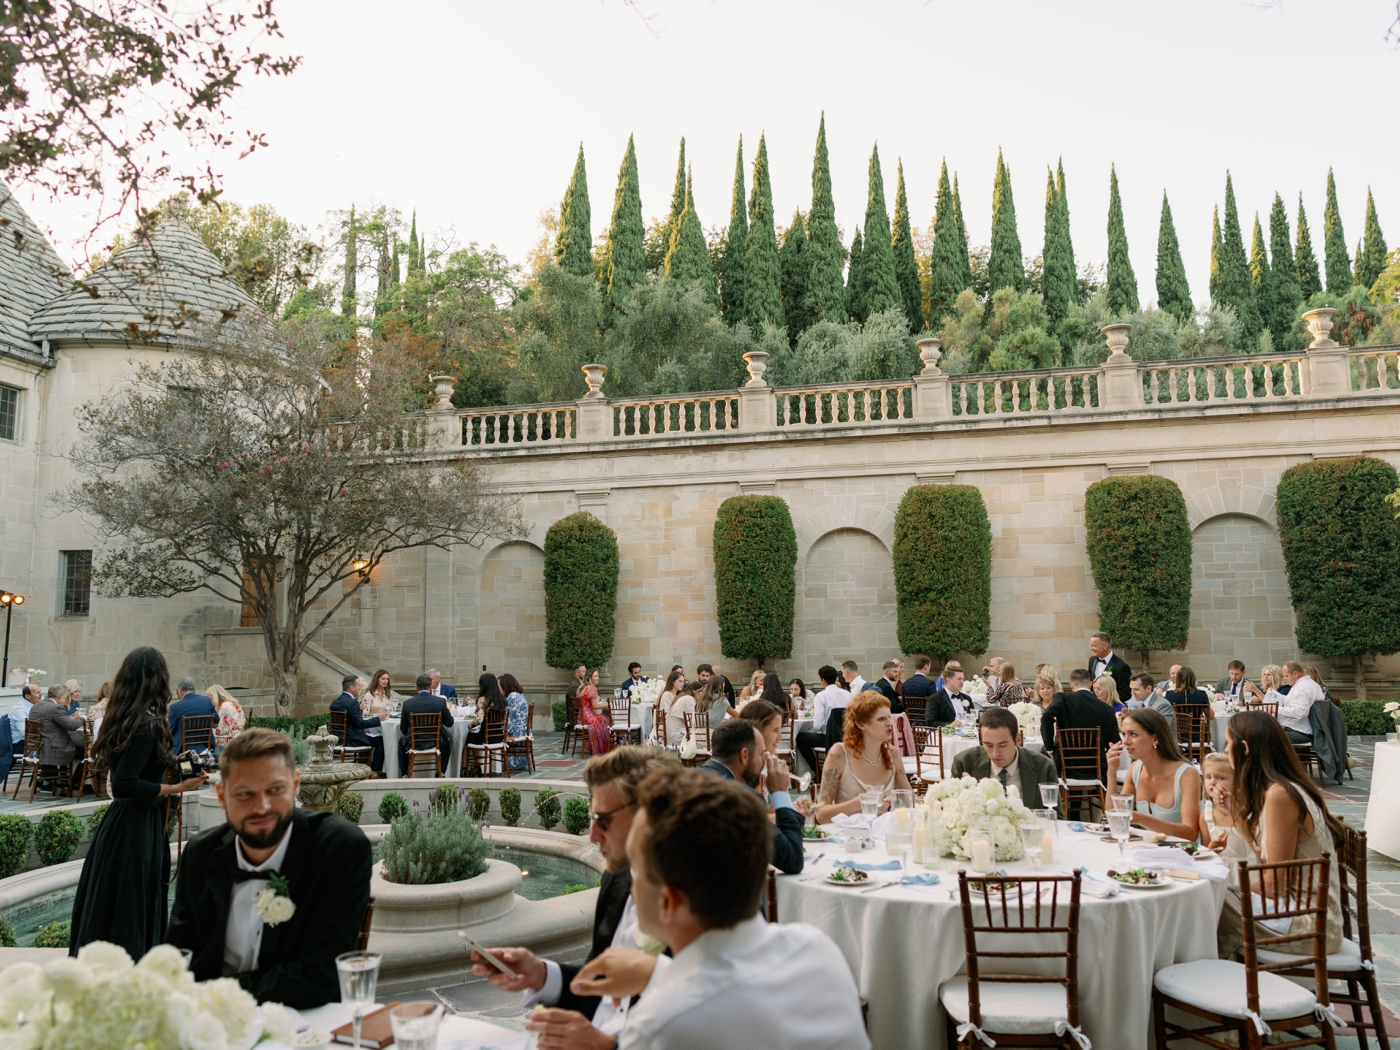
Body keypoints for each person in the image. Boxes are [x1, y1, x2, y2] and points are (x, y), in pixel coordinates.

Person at [559, 766, 869, 1050]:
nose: (629, 880)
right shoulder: (818, 950)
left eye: (637, 869)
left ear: (668, 901)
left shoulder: (663, 1023)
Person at [473, 747, 678, 1048]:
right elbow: (601, 988)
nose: (592, 835)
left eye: (603, 819)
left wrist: (605, 1046)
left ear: (648, 815)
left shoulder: (703, 904)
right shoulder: (618, 879)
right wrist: (542, 975)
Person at [167, 727, 372, 1007]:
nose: (262, 807)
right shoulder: (201, 853)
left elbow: (319, 976)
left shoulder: (337, 848)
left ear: (295, 784)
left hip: (301, 1021)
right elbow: (178, 954)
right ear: (222, 795)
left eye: (275, 790)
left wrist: (211, 994)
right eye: (244, 794)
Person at [71, 646, 206, 959]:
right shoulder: (148, 724)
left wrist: (180, 762)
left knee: (115, 900)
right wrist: (178, 788)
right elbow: (125, 784)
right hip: (136, 825)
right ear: (158, 680)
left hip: (124, 824)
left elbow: (143, 763)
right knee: (132, 901)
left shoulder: (127, 718)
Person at [1216, 711, 1341, 960]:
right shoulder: (1280, 788)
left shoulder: (1280, 794)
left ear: (1245, 748)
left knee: (1208, 903)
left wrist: (1222, 888)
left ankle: (1213, 985)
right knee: (1212, 899)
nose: (1225, 749)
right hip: (1300, 908)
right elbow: (1269, 860)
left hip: (1309, 921)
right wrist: (1238, 810)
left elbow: (1274, 885)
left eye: (1228, 743)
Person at [700, 719, 803, 874]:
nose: (764, 762)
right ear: (745, 755)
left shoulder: (690, 777)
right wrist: (781, 792)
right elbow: (792, 859)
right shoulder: (742, 799)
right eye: (762, 754)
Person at [814, 690, 912, 824]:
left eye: (889, 717)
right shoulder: (839, 754)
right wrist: (859, 803)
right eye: (881, 719)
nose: (890, 723)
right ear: (860, 724)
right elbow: (820, 815)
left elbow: (908, 800)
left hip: (883, 835)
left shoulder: (892, 754)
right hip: (847, 838)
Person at [1106, 708, 1200, 841]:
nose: (1126, 741)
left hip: (1182, 854)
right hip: (1147, 852)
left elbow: (1191, 833)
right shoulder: (1135, 770)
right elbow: (1113, 819)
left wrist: (1140, 818)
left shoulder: (1186, 774)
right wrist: (1111, 772)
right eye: (1124, 734)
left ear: (1155, 738)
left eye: (1133, 734)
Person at [950, 706, 1058, 801]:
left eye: (1002, 745)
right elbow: (949, 813)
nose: (995, 753)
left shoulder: (1043, 767)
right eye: (988, 745)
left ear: (1018, 740)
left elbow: (1055, 817)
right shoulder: (964, 763)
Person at [1041, 668, 1121, 784]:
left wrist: (1050, 748)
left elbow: (1046, 716)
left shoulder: (1063, 699)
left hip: (1065, 767)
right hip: (1095, 769)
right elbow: (1115, 743)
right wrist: (1105, 757)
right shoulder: (1107, 709)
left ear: (1071, 685)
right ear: (1091, 684)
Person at [398, 672, 454, 774]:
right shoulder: (440, 702)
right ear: (431, 686)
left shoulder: (407, 704)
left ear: (416, 687)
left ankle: (405, 774)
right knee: (447, 741)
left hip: (414, 742)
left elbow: (403, 728)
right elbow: (449, 723)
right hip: (436, 741)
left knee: (401, 742)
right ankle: (441, 772)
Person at [32, 683, 85, 791]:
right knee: (86, 752)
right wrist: (83, 718)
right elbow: (71, 726)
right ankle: (70, 781)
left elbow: (53, 724)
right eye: (65, 696)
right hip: (53, 748)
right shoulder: (56, 708)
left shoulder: (36, 706)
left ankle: (56, 780)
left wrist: (70, 718)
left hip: (38, 746)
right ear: (60, 695)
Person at [796, 665, 849, 770]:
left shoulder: (821, 696)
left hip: (829, 738)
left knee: (799, 738)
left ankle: (816, 770)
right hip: (848, 736)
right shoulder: (847, 694)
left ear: (822, 680)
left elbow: (817, 726)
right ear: (836, 678)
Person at [329, 674, 383, 773]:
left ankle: (362, 765)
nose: (360, 688)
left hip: (339, 739)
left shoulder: (335, 702)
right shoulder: (352, 702)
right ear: (351, 688)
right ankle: (374, 771)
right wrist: (378, 719)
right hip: (352, 740)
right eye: (359, 686)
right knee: (381, 740)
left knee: (368, 736)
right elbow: (360, 723)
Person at [1276, 660, 1323, 745]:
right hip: (1309, 730)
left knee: (1266, 737)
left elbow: (1300, 713)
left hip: (1301, 732)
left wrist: (1276, 709)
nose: (1285, 679)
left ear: (1295, 674)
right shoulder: (1312, 684)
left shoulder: (1301, 688)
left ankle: (1283, 758)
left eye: (1287, 676)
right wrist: (1277, 696)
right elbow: (1294, 701)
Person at [1199, 752, 1238, 852]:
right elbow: (1205, 854)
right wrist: (1211, 848)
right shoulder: (1206, 817)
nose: (1212, 782)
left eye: (1221, 778)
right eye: (1208, 777)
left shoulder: (1247, 814)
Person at [168, 677, 216, 753]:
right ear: (193, 689)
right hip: (205, 746)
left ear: (180, 691)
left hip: (182, 750)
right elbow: (217, 721)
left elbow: (169, 731)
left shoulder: (175, 707)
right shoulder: (207, 701)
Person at [1126, 672, 1177, 740]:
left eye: (1136, 689)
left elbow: (1160, 731)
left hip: (1162, 748)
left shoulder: (1162, 705)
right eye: (1131, 689)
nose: (1132, 693)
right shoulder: (1142, 704)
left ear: (1148, 688)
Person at [578, 667, 614, 756]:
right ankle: (607, 747)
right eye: (596, 676)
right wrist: (609, 704)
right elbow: (596, 706)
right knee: (606, 720)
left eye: (598, 676)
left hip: (581, 715)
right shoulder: (592, 688)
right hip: (588, 716)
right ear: (590, 677)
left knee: (604, 717)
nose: (598, 678)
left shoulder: (582, 687)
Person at [1088, 631, 1132, 703]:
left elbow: (1125, 693)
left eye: (1094, 646)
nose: (1091, 648)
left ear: (1105, 646)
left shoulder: (1121, 666)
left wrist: (1108, 703)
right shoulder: (1092, 660)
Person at [499, 673, 531, 771]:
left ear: (505, 685)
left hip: (517, 731)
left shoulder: (512, 697)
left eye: (499, 685)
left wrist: (502, 732)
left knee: (491, 733)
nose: (498, 688)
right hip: (523, 730)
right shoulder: (519, 695)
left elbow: (508, 720)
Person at [927, 660, 970, 728]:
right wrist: (949, 725)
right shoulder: (935, 699)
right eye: (959, 679)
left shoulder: (967, 698)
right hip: (946, 736)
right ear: (948, 680)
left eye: (963, 679)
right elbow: (931, 722)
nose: (962, 682)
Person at [657, 669, 693, 747]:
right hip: (668, 727)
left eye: (683, 682)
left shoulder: (677, 696)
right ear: (673, 681)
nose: (682, 684)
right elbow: (665, 714)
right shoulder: (667, 694)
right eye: (680, 681)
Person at [901, 654, 937, 725]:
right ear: (926, 666)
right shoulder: (929, 683)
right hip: (926, 721)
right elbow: (935, 705)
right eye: (929, 666)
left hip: (910, 721)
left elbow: (904, 705)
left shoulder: (906, 683)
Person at [210, 684, 246, 748]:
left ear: (214, 697)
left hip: (229, 741)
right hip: (240, 736)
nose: (210, 702)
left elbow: (221, 729)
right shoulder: (233, 703)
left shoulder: (224, 707)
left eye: (210, 698)